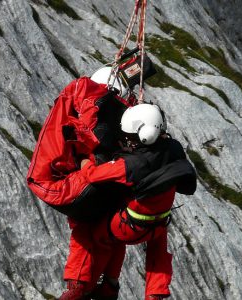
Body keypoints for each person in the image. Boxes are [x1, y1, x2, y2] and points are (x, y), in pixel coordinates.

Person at [26, 57, 157, 298]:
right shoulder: (90, 99)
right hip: (61, 185)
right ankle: (92, 286)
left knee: (100, 225)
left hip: (64, 184)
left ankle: (94, 285)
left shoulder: (79, 109)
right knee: (104, 217)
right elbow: (96, 140)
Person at [63, 104, 198, 300]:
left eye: (132, 138)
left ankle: (80, 287)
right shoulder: (174, 148)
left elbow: (93, 175)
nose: (129, 141)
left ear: (144, 136)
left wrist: (84, 158)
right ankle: (154, 294)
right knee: (158, 252)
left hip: (128, 227)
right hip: (158, 224)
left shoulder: (132, 165)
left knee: (93, 234)